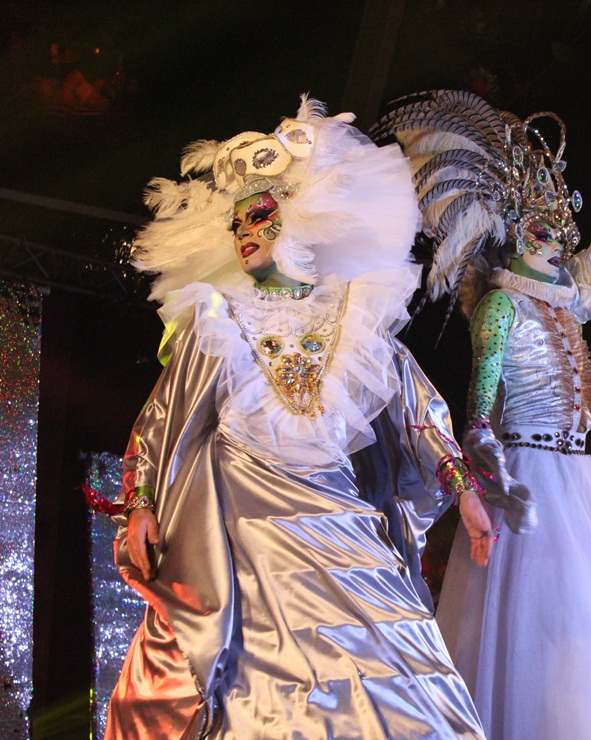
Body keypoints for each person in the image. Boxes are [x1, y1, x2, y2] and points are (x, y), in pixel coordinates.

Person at [97, 97, 492, 738]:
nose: (246, 232)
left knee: (387, 671)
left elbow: (416, 406)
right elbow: (165, 415)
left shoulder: (354, 309)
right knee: (257, 681)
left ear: (298, 220)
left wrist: (462, 488)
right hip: (247, 527)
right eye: (238, 224)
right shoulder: (220, 317)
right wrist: (141, 501)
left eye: (261, 215)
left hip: (339, 518)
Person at [371, 90, 591, 739]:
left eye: (562, 229)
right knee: (535, 630)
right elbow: (477, 418)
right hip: (526, 478)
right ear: (514, 232)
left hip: (576, 479)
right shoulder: (502, 307)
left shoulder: (558, 300)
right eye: (545, 229)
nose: (560, 239)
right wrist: (496, 491)